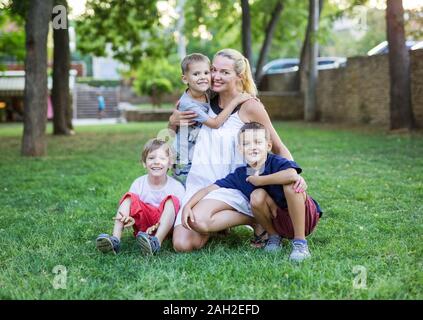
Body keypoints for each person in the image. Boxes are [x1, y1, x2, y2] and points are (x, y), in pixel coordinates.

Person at [168, 48, 307, 253]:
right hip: (200, 182)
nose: (215, 76)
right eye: (213, 69)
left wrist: (294, 173)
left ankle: (257, 217)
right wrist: (172, 121)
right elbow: (177, 131)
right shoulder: (202, 100)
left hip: (235, 184)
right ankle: (230, 223)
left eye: (224, 72)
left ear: (239, 75)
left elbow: (277, 145)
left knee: (199, 220)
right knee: (183, 244)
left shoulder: (250, 106)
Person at [182, 122, 322, 261]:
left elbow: (292, 175)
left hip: (303, 219)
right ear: (240, 149)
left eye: (257, 142)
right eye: (246, 144)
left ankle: (300, 243)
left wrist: (260, 180)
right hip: (278, 222)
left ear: (268, 145)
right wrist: (188, 205)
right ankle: (273, 237)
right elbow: (208, 189)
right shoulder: (241, 174)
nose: (253, 147)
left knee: (291, 185)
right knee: (257, 195)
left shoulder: (276, 162)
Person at [173, 53, 252, 186]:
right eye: (196, 74)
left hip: (201, 155)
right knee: (185, 192)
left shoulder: (206, 93)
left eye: (206, 72)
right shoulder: (188, 104)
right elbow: (214, 123)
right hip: (186, 158)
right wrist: (236, 101)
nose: (203, 77)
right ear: (185, 79)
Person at [96, 139, 185, 255]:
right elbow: (133, 206)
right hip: (144, 226)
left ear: (170, 163)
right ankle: (115, 240)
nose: (156, 162)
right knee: (129, 197)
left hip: (166, 227)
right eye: (151, 158)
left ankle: (155, 242)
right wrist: (129, 218)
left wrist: (158, 225)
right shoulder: (138, 183)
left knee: (172, 200)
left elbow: (180, 217)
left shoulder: (176, 187)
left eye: (162, 158)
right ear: (144, 163)